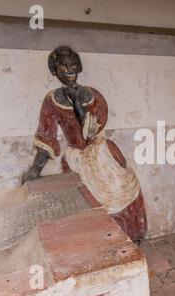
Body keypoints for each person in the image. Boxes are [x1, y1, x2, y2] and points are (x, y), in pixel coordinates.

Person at [23, 46, 147, 241]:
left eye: (73, 64)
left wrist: (77, 104)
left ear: (79, 67)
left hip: (102, 153)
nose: (69, 70)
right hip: (76, 158)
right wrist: (34, 170)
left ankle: (130, 240)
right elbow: (47, 137)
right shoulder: (52, 100)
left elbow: (90, 133)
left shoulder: (93, 95)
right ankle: (98, 245)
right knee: (85, 202)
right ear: (55, 71)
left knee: (123, 189)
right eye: (63, 67)